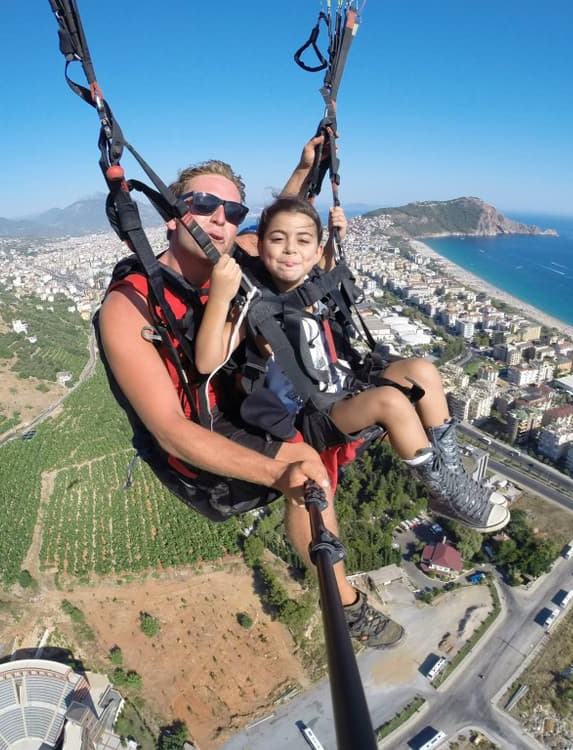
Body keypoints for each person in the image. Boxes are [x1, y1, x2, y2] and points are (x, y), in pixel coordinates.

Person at [96, 155, 405, 648]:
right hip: (201, 435)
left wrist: (310, 166)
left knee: (364, 399)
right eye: (203, 205)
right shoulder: (129, 305)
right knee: (308, 471)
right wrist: (279, 476)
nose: (220, 219)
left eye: (232, 211)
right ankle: (343, 601)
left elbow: (282, 228)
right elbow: (170, 430)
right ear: (173, 213)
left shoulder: (235, 255)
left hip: (247, 403)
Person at [195, 196, 510, 534]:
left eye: (302, 241)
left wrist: (335, 240)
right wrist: (220, 298)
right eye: (277, 239)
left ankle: (453, 482)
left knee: (423, 371)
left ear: (316, 252)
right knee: (391, 402)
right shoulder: (254, 304)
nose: (290, 250)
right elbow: (206, 361)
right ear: (259, 246)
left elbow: (326, 271)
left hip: (342, 386)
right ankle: (443, 490)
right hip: (309, 416)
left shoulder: (313, 283)